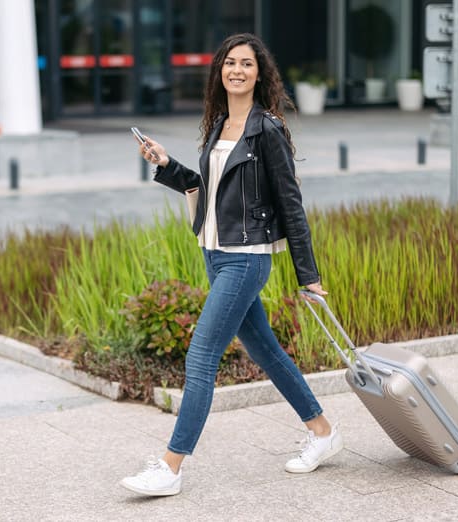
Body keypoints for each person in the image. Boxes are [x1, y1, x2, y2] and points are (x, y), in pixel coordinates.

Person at [120, 33, 342, 497]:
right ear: (219, 71)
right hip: (215, 254)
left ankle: (170, 468)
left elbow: (291, 204)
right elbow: (211, 187)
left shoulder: (268, 129)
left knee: (201, 356)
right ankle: (323, 432)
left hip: (246, 259)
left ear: (259, 74)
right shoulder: (220, 123)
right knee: (266, 352)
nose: (236, 70)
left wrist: (309, 275)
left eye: (246, 63)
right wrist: (166, 165)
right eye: (229, 63)